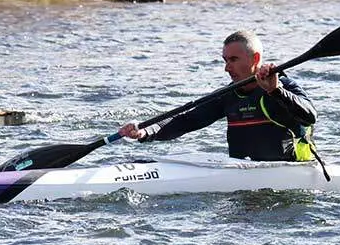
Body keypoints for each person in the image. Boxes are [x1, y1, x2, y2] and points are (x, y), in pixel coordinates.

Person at [118, 30, 319, 163]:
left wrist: (275, 91)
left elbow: (310, 116)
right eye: (225, 60)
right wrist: (145, 132)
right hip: (242, 174)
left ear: (255, 58)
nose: (226, 68)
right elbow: (186, 120)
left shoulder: (282, 86)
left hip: (291, 171)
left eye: (233, 59)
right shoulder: (228, 96)